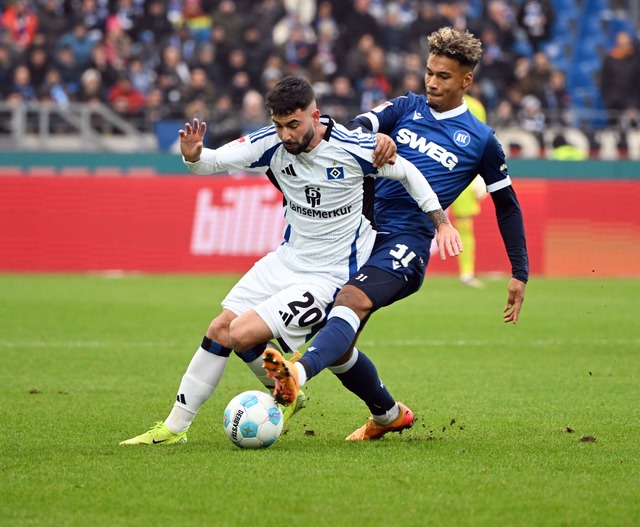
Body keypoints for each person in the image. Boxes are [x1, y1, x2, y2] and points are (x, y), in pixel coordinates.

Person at [120, 75, 460, 445]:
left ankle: (289, 388)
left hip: (329, 275)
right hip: (286, 260)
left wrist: (440, 222)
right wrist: (192, 155)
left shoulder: (353, 148)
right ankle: (174, 429)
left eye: (293, 125)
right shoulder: (268, 142)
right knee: (221, 328)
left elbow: (409, 173)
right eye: (279, 125)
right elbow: (210, 162)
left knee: (242, 334)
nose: (285, 135)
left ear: (314, 116)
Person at [263, 27, 529, 441]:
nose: (432, 82)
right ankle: (388, 414)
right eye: (429, 72)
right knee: (336, 341)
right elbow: (351, 128)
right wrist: (376, 136)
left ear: (466, 80)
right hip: (359, 232)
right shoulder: (404, 107)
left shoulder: (482, 141)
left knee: (349, 303)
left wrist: (519, 271)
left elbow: (507, 205)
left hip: (405, 243)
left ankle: (295, 376)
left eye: (443, 76)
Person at [450, 94, 488, 288]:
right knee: (416, 218)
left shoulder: (475, 107)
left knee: (464, 223)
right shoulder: (432, 102)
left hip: (463, 173)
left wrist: (482, 174)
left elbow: (482, 143)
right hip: (432, 169)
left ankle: (466, 273)